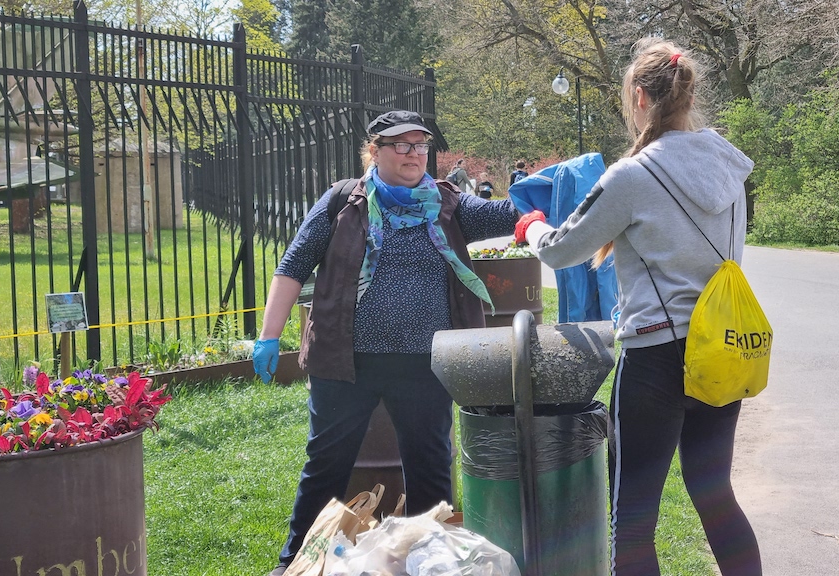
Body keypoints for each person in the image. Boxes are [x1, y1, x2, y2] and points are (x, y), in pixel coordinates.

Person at [513, 40, 761, 575]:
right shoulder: (729, 166)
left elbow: (562, 250)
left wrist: (531, 225)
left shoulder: (633, 175)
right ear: (689, 95)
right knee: (715, 495)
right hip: (720, 349)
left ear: (640, 98)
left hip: (656, 355)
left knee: (632, 515)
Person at [252, 110, 519, 576]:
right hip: (346, 362)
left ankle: (432, 563)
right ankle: (295, 563)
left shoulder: (448, 203)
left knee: (431, 468)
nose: (415, 153)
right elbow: (293, 264)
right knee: (327, 464)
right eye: (402, 145)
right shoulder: (343, 201)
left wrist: (551, 190)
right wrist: (268, 336)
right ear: (374, 151)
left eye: (421, 145)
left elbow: (510, 214)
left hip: (424, 364)